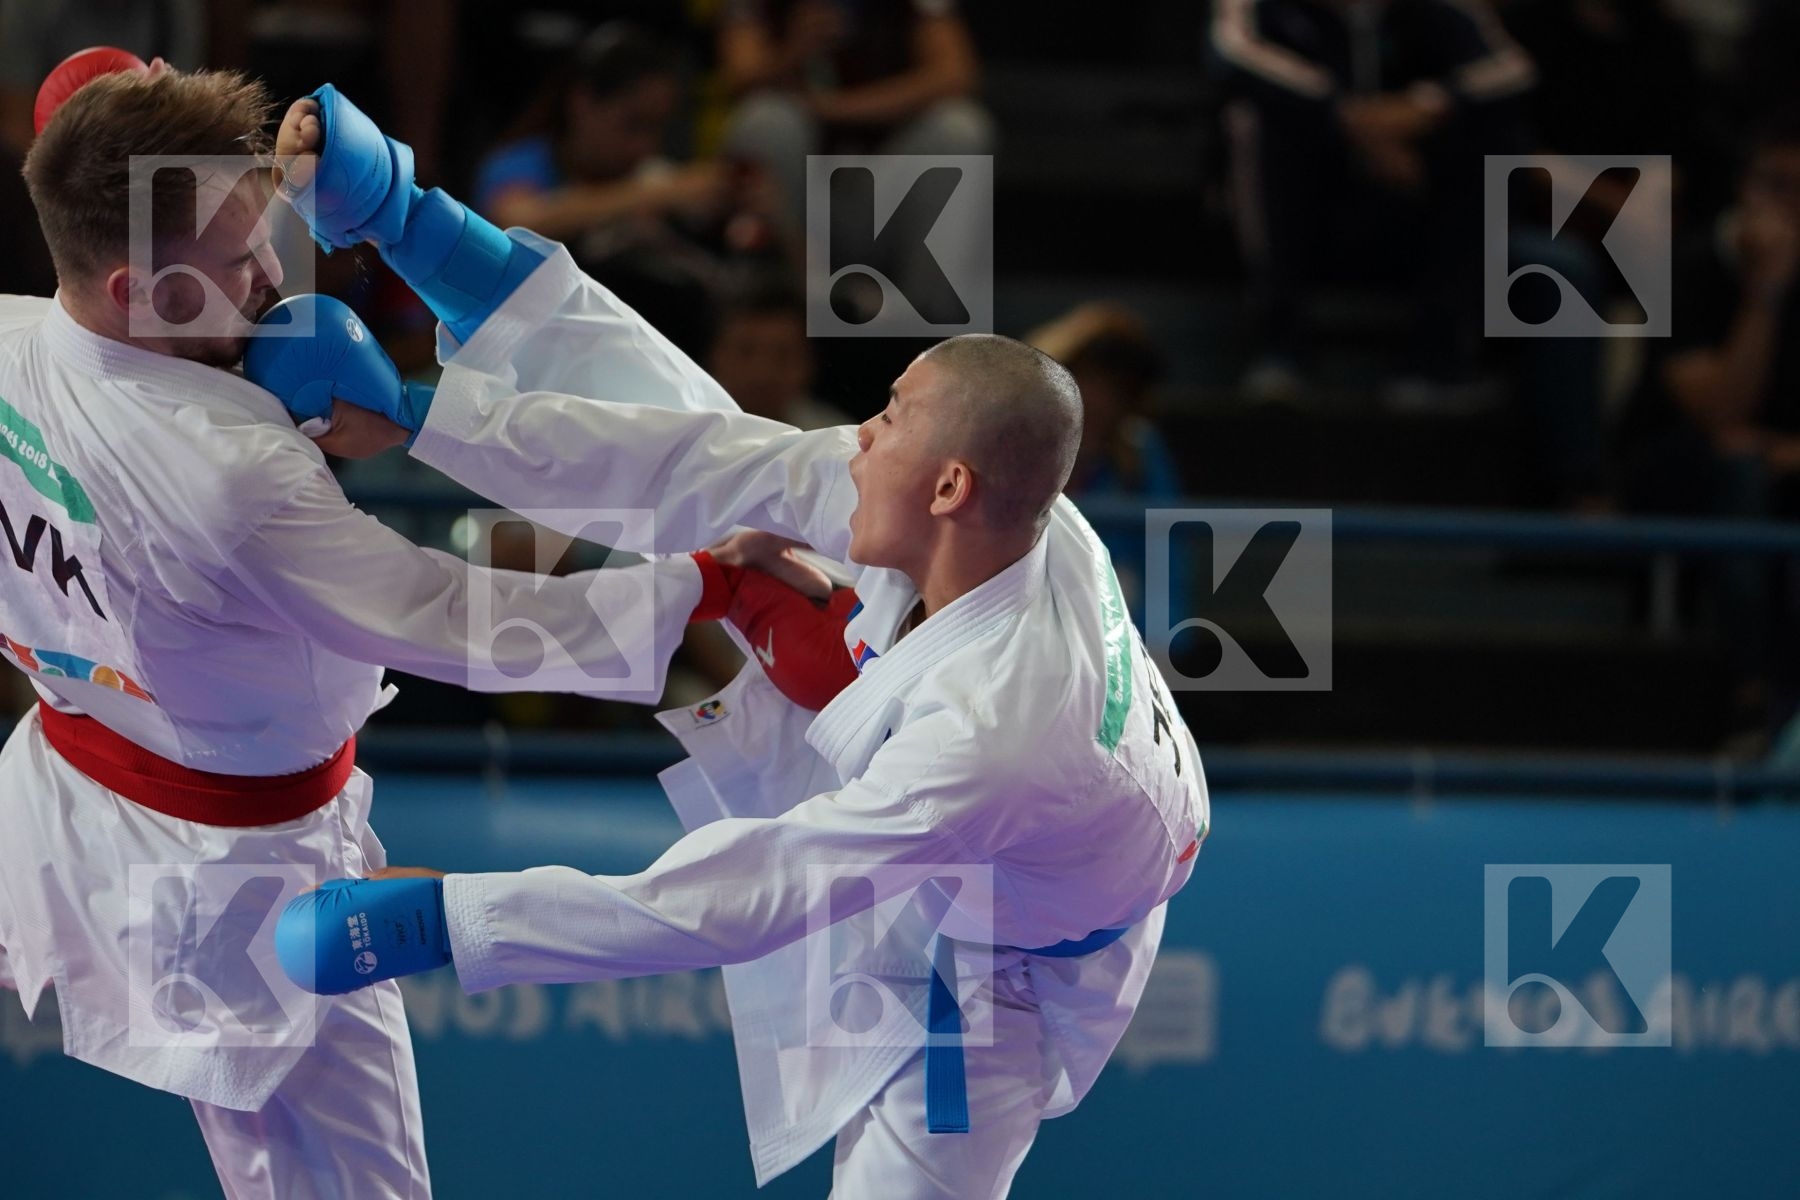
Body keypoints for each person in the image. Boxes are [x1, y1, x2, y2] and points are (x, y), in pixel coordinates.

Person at [263, 85, 1209, 1198]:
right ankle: (425, 227)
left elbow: (748, 895)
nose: (859, 430)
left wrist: (451, 919)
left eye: (890, 416)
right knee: (737, 482)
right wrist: (412, 321)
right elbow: (696, 455)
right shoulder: (1003, 512)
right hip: (994, 805)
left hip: (1005, 962)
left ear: (950, 483)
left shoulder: (1000, 731)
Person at [0, 60, 791, 1199]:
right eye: (237, 261)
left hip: (82, 788)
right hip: (243, 872)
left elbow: (90, 166)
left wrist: (120, 106)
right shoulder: (236, 475)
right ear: (136, 291)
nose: (276, 274)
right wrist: (702, 589)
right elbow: (454, 620)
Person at [1211, 0, 1535, 403]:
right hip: (1307, 213)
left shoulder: (1446, 9)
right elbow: (1231, 53)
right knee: (1254, 124)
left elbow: (1511, 69)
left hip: (1410, 203)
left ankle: (1436, 361)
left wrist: (1425, 108)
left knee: (1498, 143)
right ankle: (1279, 350)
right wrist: (1346, 119)